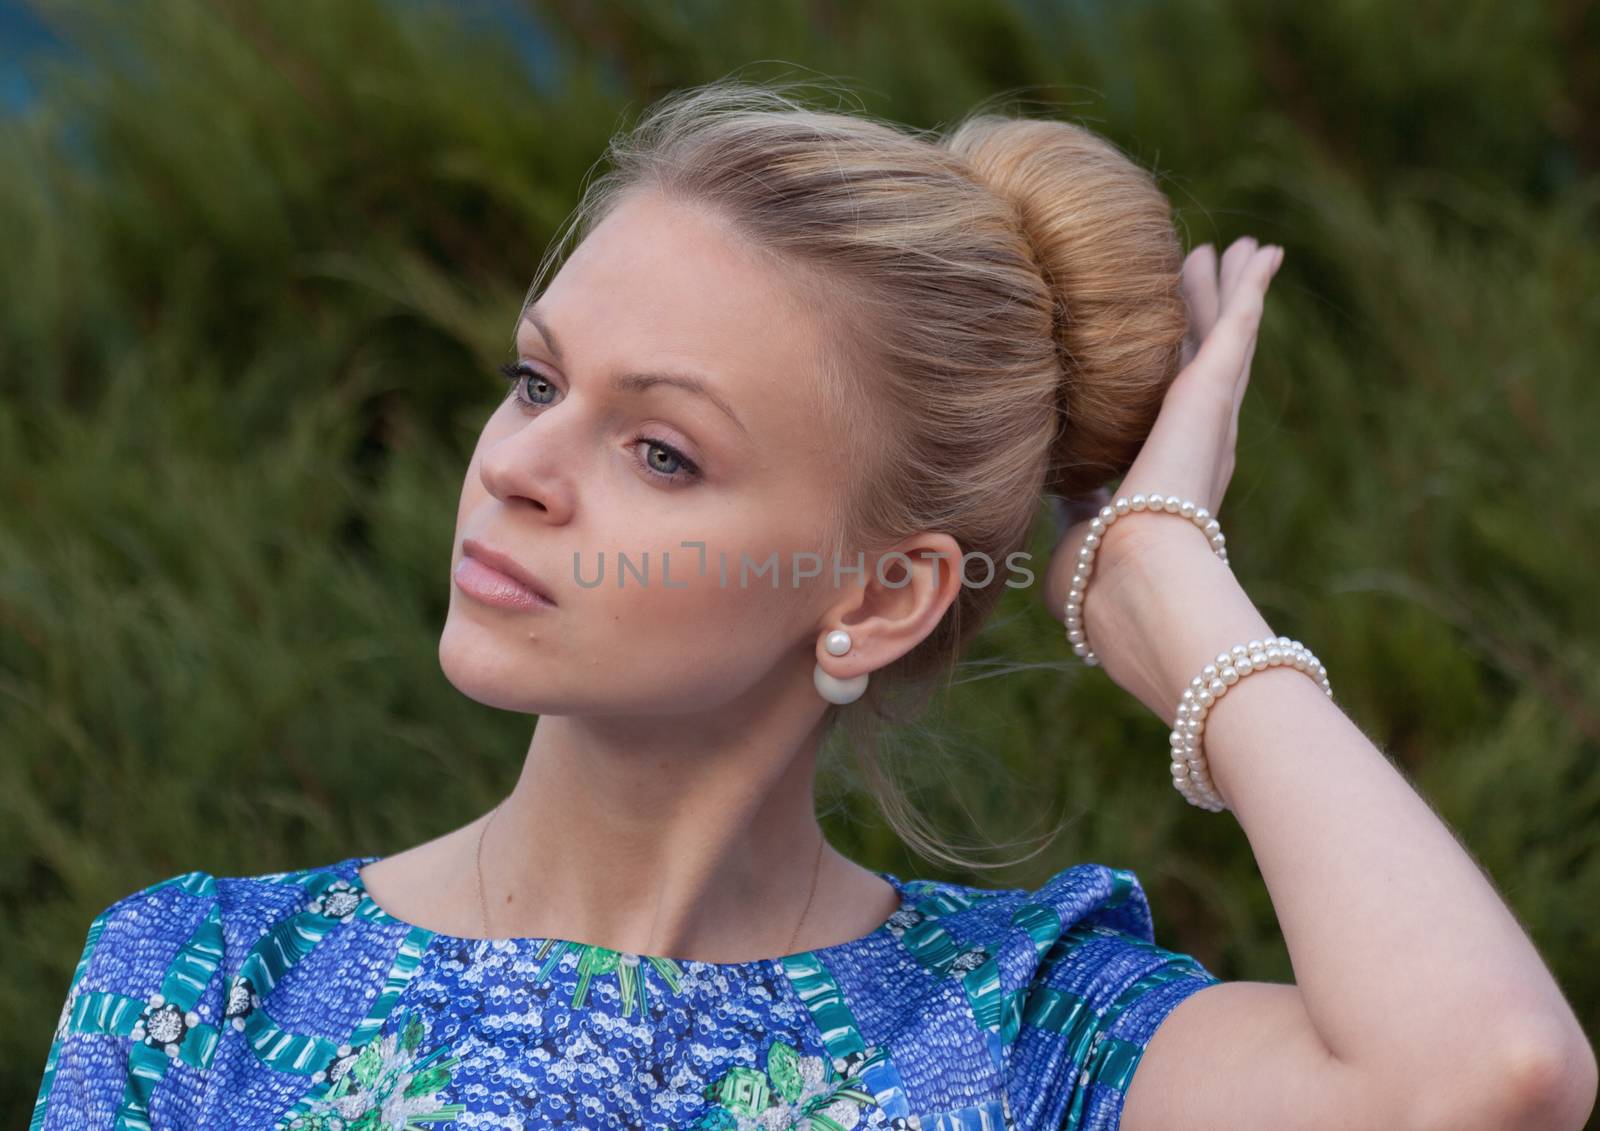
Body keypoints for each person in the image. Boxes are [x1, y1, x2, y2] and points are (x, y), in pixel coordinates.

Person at [30, 79, 1595, 1131]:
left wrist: (1165, 570)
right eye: (535, 379)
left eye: (659, 448)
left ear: (879, 597)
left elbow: (1489, 1075)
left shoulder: (1035, 1034)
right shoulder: (203, 988)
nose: (517, 466)